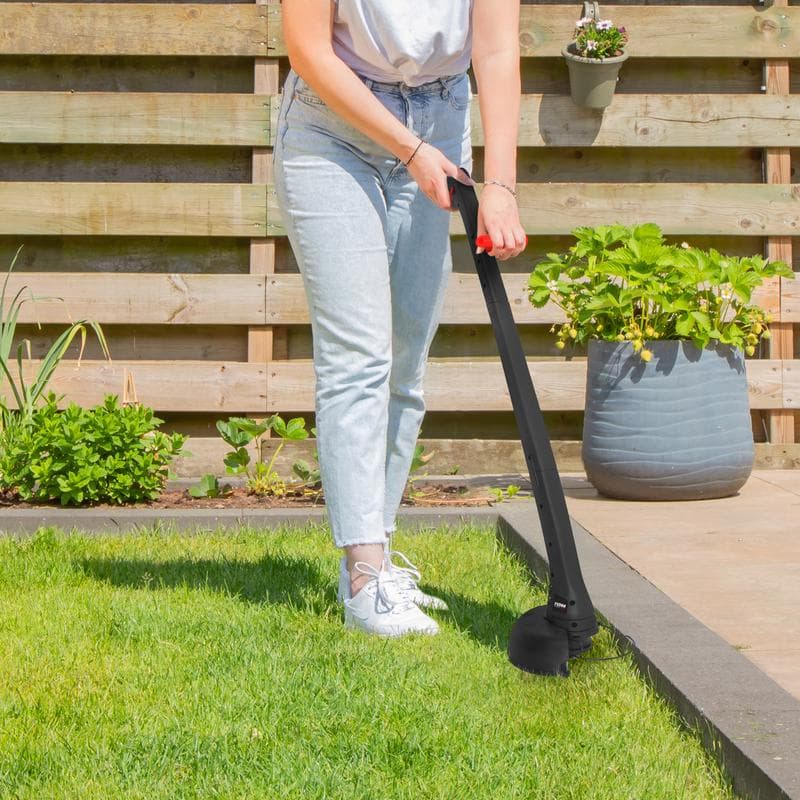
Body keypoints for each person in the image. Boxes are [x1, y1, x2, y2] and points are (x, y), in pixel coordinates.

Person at [274, 0, 526, 637]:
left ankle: (376, 556)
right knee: (358, 356)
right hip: (332, 131)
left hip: (441, 121)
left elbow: (495, 51)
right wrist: (408, 147)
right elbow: (308, 49)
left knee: (406, 356)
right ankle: (364, 575)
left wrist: (501, 185)